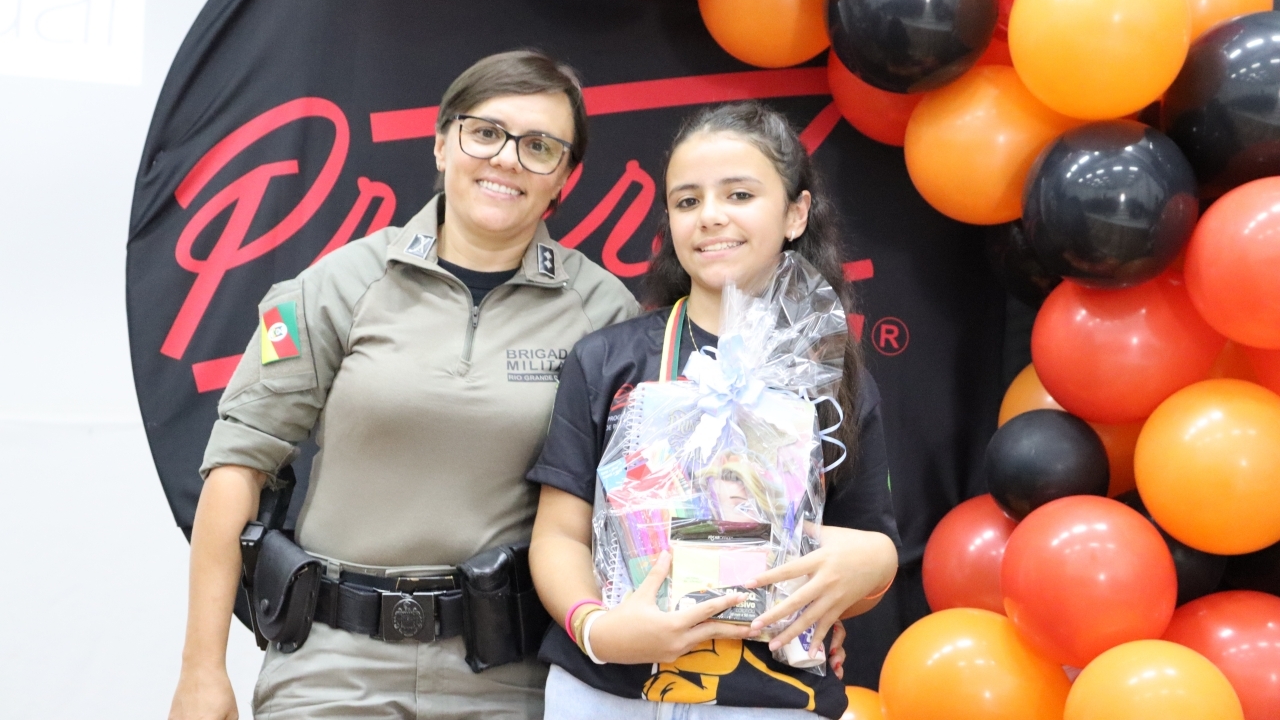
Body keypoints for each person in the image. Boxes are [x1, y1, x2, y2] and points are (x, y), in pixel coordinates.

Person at [169, 50, 639, 720]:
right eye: (485, 133)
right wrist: (201, 670)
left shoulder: (604, 311)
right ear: (443, 142)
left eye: (540, 146)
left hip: (513, 676)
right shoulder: (338, 284)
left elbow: (637, 511)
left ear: (566, 175)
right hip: (333, 669)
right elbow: (237, 467)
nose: (507, 159)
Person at [527, 101, 901, 719]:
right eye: (687, 201)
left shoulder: (832, 376)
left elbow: (865, 556)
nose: (710, 216)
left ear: (796, 213)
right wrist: (599, 629)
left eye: (740, 194)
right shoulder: (607, 360)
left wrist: (872, 566)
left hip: (772, 701)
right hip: (606, 693)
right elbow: (560, 534)